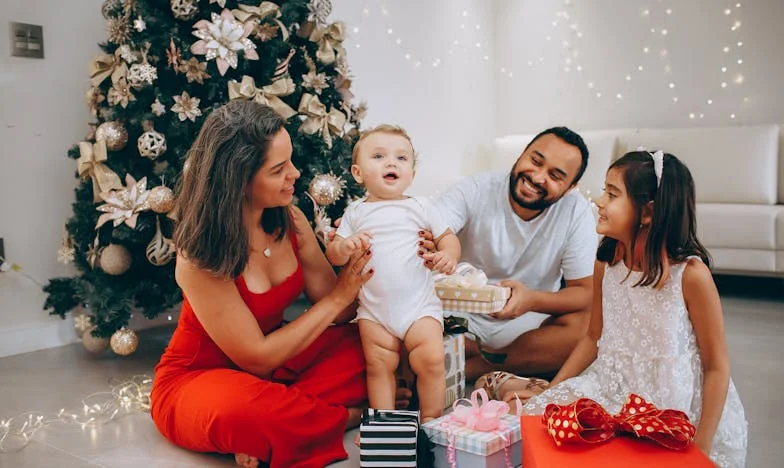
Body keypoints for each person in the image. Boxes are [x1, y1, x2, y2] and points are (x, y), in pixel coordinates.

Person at [150, 101, 374, 468]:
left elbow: (344, 310)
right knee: (241, 412)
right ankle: (345, 416)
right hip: (200, 378)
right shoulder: (197, 256)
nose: (296, 174)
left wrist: (358, 253)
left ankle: (290, 418)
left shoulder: (292, 219)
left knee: (369, 342)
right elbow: (256, 358)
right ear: (238, 180)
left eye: (291, 162)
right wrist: (337, 300)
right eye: (278, 169)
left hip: (277, 367)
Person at [516, 150, 747, 467]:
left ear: (648, 212)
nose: (599, 201)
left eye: (611, 194)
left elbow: (717, 367)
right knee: (537, 415)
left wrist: (701, 449)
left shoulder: (691, 276)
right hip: (611, 388)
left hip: (674, 406)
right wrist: (552, 390)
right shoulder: (607, 262)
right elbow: (592, 338)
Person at [419, 127, 597, 391]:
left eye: (555, 176)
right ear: (522, 154)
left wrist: (531, 300)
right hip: (458, 317)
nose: (537, 177)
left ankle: (472, 366)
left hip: (527, 325)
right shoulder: (476, 188)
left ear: (571, 187)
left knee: (588, 326)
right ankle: (487, 357)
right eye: (535, 161)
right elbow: (429, 229)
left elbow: (584, 293)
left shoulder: (577, 212)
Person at [326, 124, 461, 422]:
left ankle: (431, 420)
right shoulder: (356, 212)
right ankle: (383, 425)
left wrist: (448, 255)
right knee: (379, 365)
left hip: (419, 305)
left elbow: (448, 237)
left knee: (432, 360)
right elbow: (333, 253)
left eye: (402, 158)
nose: (391, 163)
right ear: (358, 173)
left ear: (411, 174)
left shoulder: (422, 206)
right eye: (378, 156)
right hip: (374, 310)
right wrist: (345, 246)